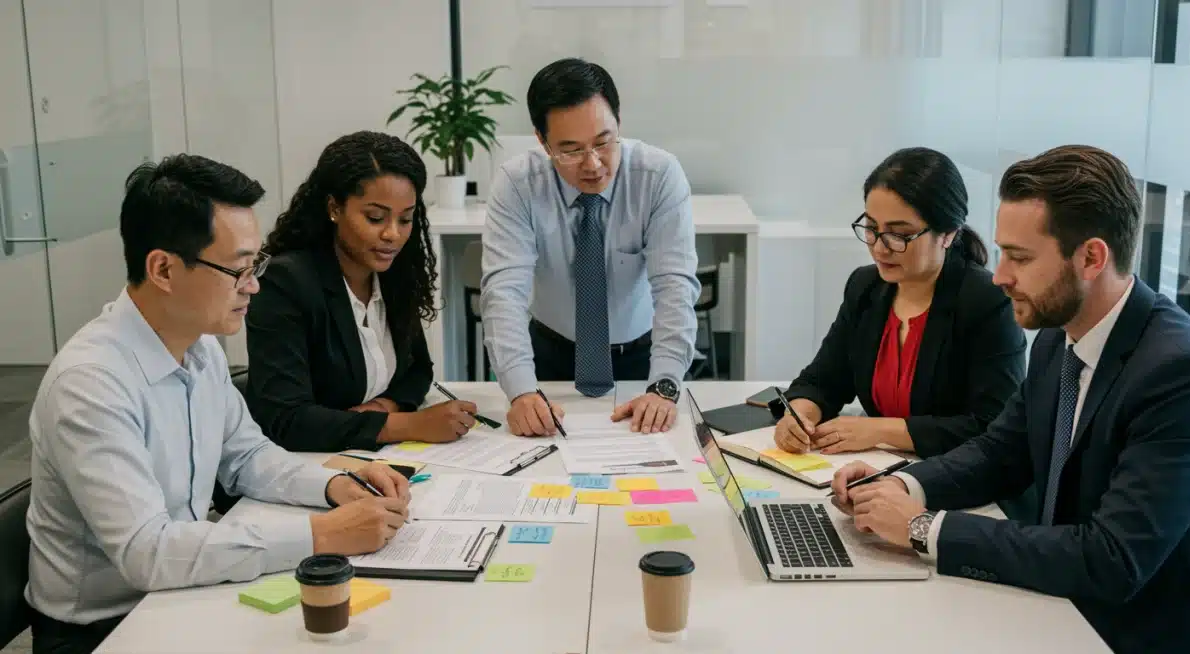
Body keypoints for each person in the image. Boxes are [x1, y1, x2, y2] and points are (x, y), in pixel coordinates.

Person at [23, 154, 412, 654]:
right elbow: (148, 553)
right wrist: (321, 535)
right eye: (237, 270)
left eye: (256, 266)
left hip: (177, 594)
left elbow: (247, 456)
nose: (253, 285)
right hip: (105, 630)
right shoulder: (91, 385)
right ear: (162, 268)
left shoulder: (198, 344)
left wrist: (338, 485)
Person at [833, 145, 1190, 654]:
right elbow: (999, 452)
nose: (1001, 275)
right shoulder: (1059, 337)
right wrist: (896, 485)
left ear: (1091, 257)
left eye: (1020, 257)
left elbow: (1112, 558)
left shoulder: (1178, 372)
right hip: (1048, 604)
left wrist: (921, 529)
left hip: (1117, 634)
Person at [481, 57, 700, 437]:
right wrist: (520, 392)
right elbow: (504, 293)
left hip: (642, 359)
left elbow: (675, 286)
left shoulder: (658, 175)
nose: (593, 164)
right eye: (570, 150)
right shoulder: (518, 184)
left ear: (619, 122)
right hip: (549, 358)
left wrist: (664, 385)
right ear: (541, 141)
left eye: (604, 142)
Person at [771, 147, 1027, 459]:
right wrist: (799, 414)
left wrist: (880, 430)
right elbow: (823, 380)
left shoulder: (987, 301)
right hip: (877, 470)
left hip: (957, 479)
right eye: (871, 229)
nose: (880, 248)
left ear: (948, 233)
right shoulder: (865, 287)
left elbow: (991, 426)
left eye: (899, 235)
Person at [245, 131, 475, 452]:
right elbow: (286, 418)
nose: (392, 234)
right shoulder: (285, 283)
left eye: (406, 219)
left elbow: (418, 370)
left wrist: (387, 407)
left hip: (365, 456)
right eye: (375, 217)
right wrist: (408, 425)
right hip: (299, 465)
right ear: (334, 208)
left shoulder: (392, 271)